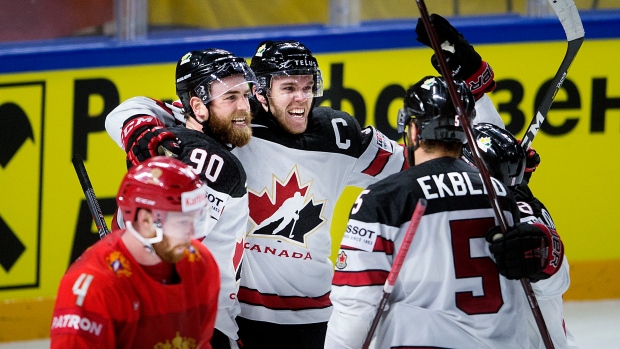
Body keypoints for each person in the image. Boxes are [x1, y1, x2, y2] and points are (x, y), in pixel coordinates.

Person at [105, 38, 503, 347]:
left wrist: (484, 121)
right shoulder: (233, 125)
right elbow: (132, 110)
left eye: (308, 86)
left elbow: (429, 164)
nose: (301, 98)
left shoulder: (339, 135)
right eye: (288, 87)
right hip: (244, 316)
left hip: (318, 318)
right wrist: (137, 128)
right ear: (261, 90)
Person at [325, 76, 563, 348]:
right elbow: (552, 281)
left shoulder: (383, 200)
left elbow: (355, 307)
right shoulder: (502, 196)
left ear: (413, 131)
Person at [105, 48, 256, 349]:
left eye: (245, 94)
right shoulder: (213, 162)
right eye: (230, 98)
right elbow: (167, 255)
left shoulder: (178, 126)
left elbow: (125, 110)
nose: (244, 107)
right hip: (191, 324)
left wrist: (141, 129)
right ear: (198, 107)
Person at [50, 156, 219, 349]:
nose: (191, 236)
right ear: (146, 221)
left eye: (195, 220)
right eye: (182, 223)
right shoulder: (94, 289)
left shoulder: (200, 264)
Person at [462, 123, 577, 349]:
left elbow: (557, 279)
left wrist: (538, 256)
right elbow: (492, 144)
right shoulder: (513, 193)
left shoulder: (518, 218)